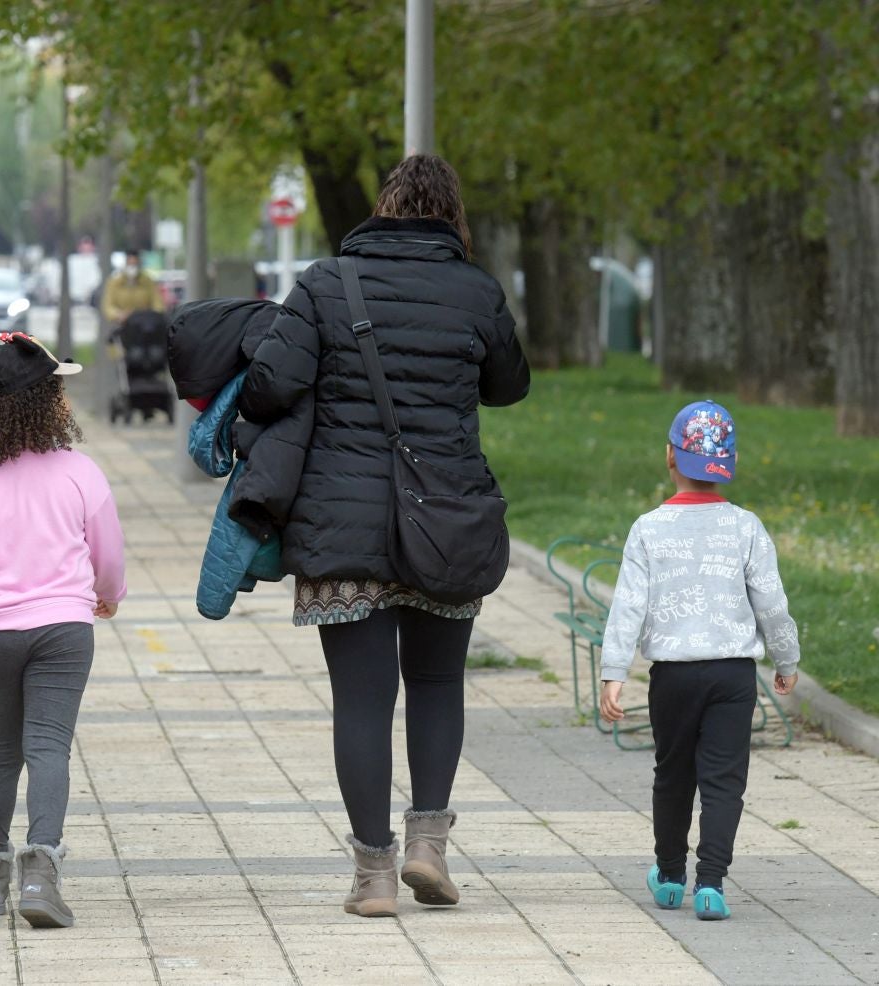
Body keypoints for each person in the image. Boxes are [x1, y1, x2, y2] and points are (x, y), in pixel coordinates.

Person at [239, 154, 530, 918]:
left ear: (383, 207)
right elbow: (509, 385)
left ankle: (374, 874)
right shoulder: (475, 290)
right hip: (445, 522)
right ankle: (429, 844)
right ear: (452, 218)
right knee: (436, 685)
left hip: (345, 526)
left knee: (361, 700)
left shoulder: (326, 284)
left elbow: (269, 386)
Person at [0, 332, 126, 930]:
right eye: (59, 388)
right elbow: (109, 552)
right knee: (49, 749)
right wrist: (106, 593)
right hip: (66, 628)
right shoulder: (80, 472)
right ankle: (41, 872)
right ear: (46, 403)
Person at [600, 400, 800, 922]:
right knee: (724, 779)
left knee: (672, 775)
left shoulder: (648, 528)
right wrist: (786, 657)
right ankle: (711, 884)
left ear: (670, 456)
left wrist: (614, 670)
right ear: (729, 464)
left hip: (673, 675)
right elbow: (771, 601)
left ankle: (669, 876)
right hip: (734, 674)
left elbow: (628, 606)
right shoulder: (746, 528)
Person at [101, 250, 165, 327]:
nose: (132, 267)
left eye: (135, 264)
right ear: (125, 264)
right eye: (130, 264)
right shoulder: (115, 282)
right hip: (122, 324)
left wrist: (153, 315)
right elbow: (108, 306)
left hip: (145, 324)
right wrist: (118, 315)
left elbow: (158, 303)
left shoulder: (147, 281)